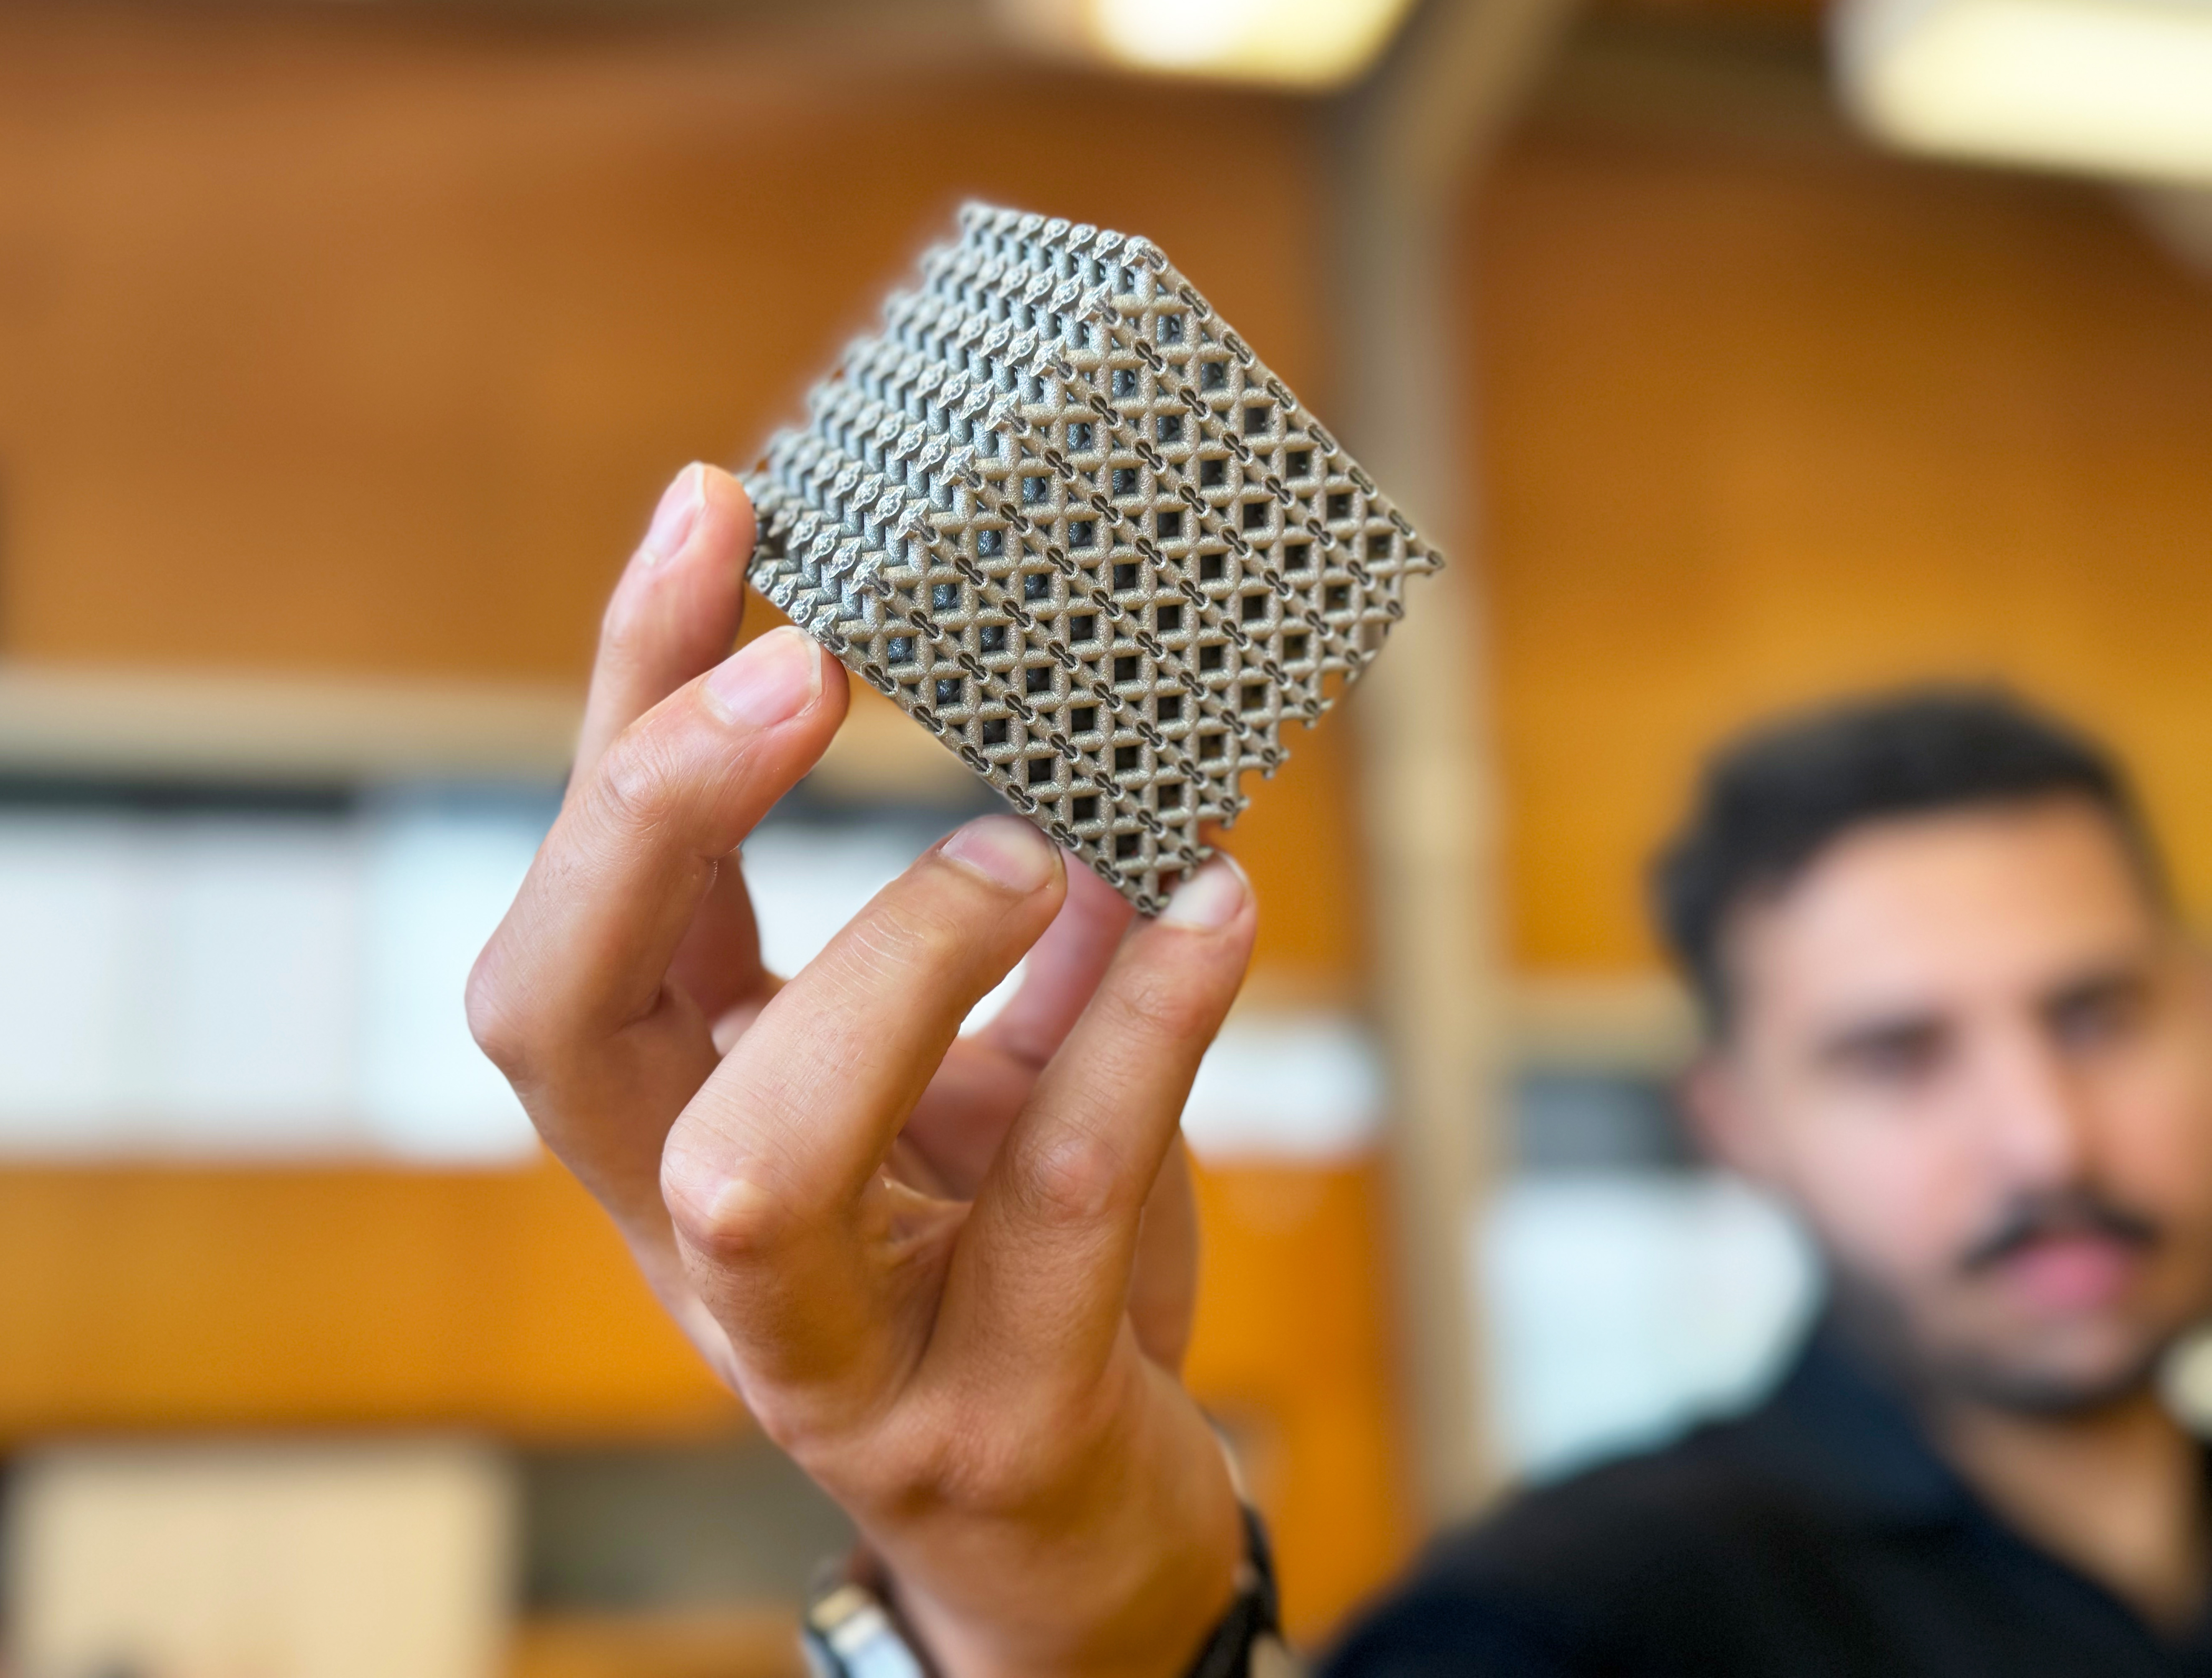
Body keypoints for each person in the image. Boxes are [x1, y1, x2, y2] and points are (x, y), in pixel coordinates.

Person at [470, 464, 2212, 1677]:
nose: (2041, 1135)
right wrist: (1074, 1627)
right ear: (1739, 1128)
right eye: (1896, 1055)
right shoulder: (1571, 1624)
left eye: (2096, 1014)